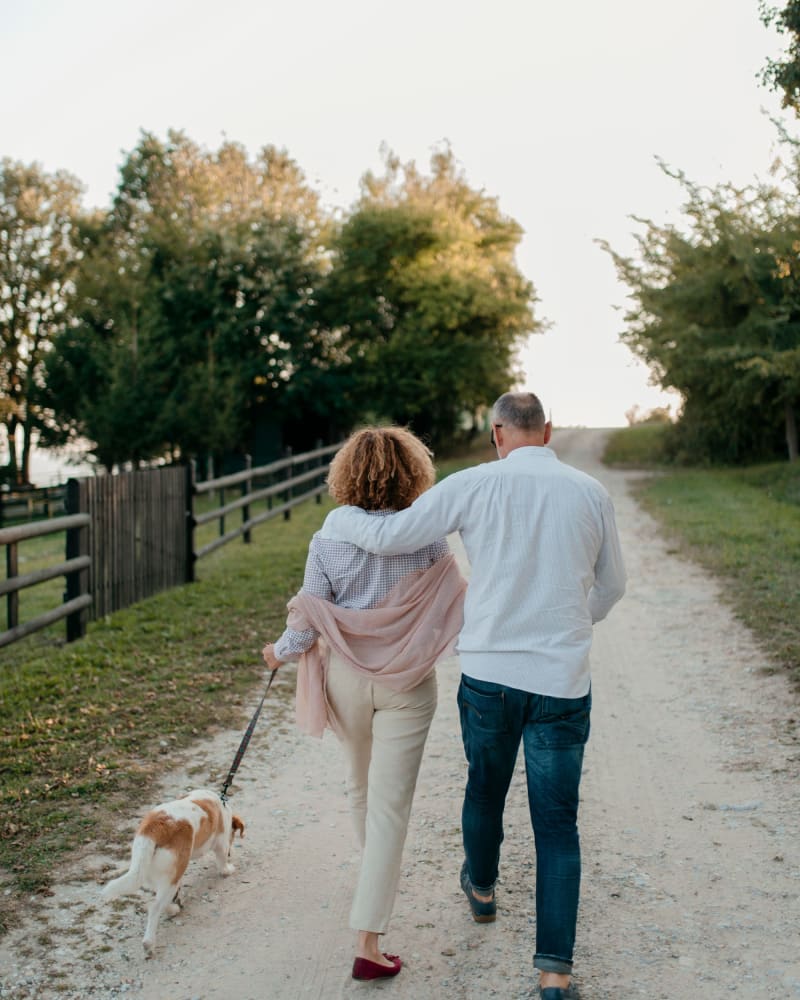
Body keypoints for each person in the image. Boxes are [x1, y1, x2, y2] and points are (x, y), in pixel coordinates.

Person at [320, 392, 626, 1000]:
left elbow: (394, 534)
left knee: (485, 788)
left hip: (489, 673)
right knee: (558, 824)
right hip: (561, 681)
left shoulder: (474, 485)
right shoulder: (590, 492)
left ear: (496, 433)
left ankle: (482, 889)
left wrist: (338, 518)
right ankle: (554, 974)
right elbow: (614, 586)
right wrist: (567, 625)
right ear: (547, 432)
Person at [262, 427, 466, 982]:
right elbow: (451, 605)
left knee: (360, 787)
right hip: (407, 684)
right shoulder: (425, 541)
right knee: (390, 806)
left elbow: (306, 624)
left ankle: (373, 883)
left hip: (346, 679)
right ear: (411, 474)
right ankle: (369, 938)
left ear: (346, 474)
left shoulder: (326, 540)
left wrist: (277, 653)